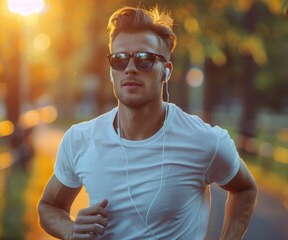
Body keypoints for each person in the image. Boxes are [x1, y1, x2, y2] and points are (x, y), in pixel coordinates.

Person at [38, 6, 257, 240]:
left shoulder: (204, 140)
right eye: (119, 59)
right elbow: (49, 207)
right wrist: (71, 230)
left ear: (166, 71)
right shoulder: (79, 140)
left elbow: (244, 188)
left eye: (144, 59)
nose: (130, 68)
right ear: (112, 70)